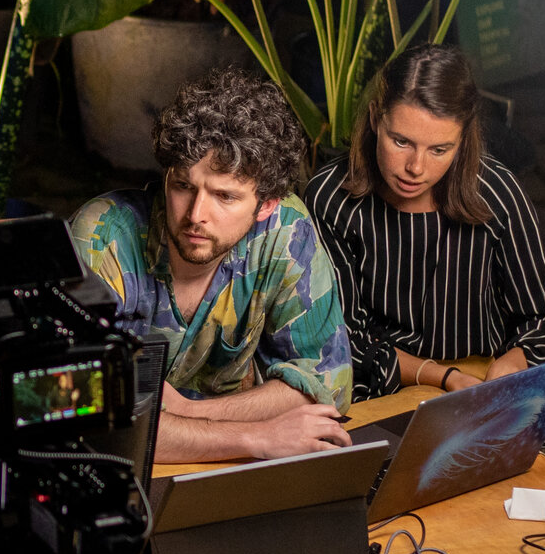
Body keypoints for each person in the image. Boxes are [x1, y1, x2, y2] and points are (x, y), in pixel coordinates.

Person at [68, 65, 354, 462]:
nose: (196, 214)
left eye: (225, 196)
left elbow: (329, 385)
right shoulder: (102, 239)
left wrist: (191, 414)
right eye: (183, 186)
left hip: (222, 473)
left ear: (267, 205)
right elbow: (83, 416)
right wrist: (255, 437)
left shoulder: (285, 230)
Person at [307, 44, 545, 402]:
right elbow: (340, 336)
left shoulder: (494, 191)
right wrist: (443, 377)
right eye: (401, 141)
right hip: (379, 389)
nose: (416, 168)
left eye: (439, 150)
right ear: (376, 119)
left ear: (463, 139)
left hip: (480, 378)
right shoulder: (331, 198)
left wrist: (514, 363)